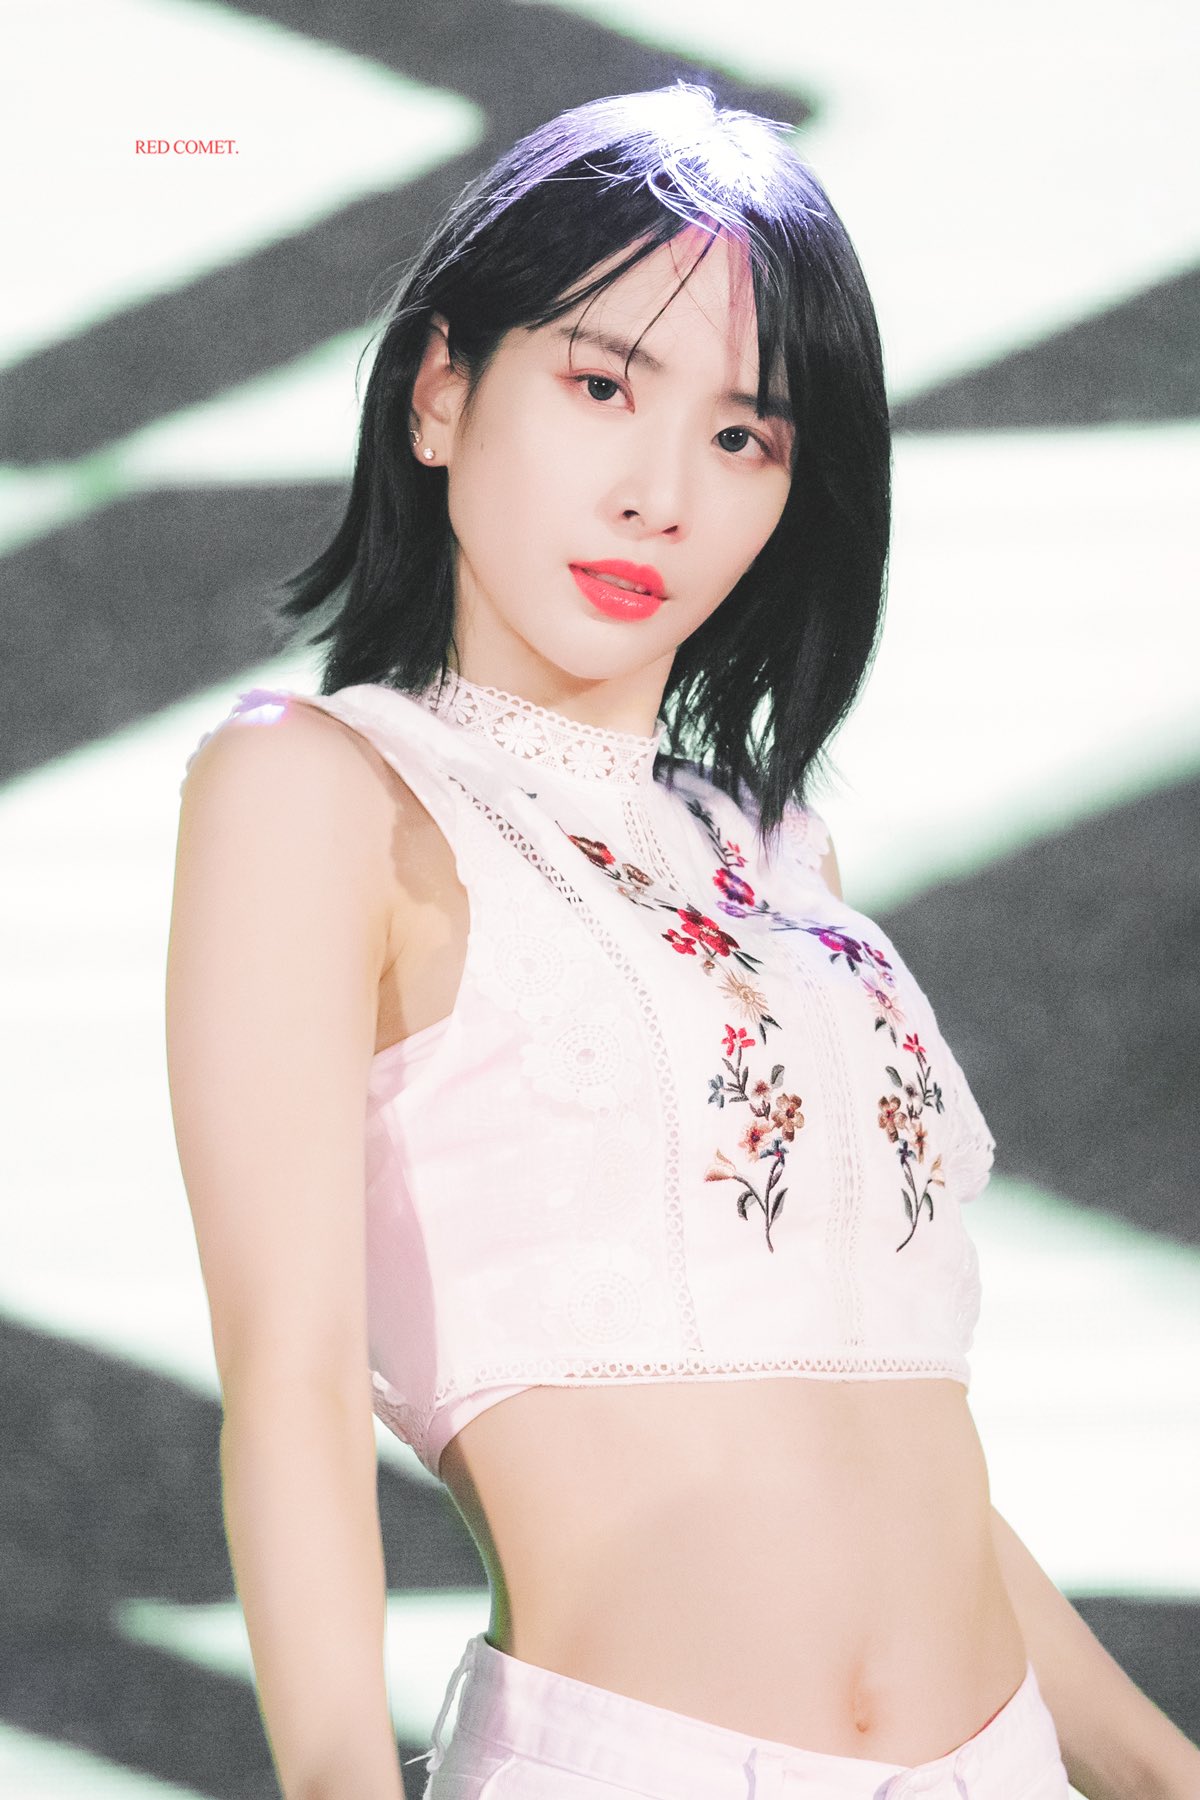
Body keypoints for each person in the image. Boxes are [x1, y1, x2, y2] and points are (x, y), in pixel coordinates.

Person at [166, 81, 1200, 1800]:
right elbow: (288, 1387)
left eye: (744, 438)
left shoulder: (781, 854)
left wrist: (1158, 1771)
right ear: (441, 390)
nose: (661, 493)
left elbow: (884, 1442)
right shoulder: (320, 787)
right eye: (601, 388)